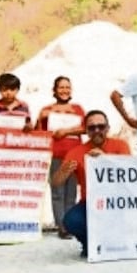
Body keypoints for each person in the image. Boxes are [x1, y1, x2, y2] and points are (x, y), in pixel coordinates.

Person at [51, 110, 132, 257]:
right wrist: (63, 172)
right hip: (91, 204)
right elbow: (56, 182)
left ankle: (114, 243)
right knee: (71, 221)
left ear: (108, 128)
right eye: (92, 127)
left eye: (101, 127)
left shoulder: (120, 145)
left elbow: (130, 173)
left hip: (119, 203)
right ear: (86, 130)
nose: (97, 131)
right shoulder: (77, 151)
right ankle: (90, 245)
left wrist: (106, 159)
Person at [37, 76, 86, 237]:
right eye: (61, 87)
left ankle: (71, 224)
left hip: (74, 155)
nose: (65, 90)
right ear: (55, 90)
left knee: (71, 192)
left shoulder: (77, 109)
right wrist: (41, 118)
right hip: (56, 154)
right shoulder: (46, 109)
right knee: (57, 191)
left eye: (67, 87)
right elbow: (39, 132)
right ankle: (62, 226)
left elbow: (86, 128)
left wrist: (66, 131)